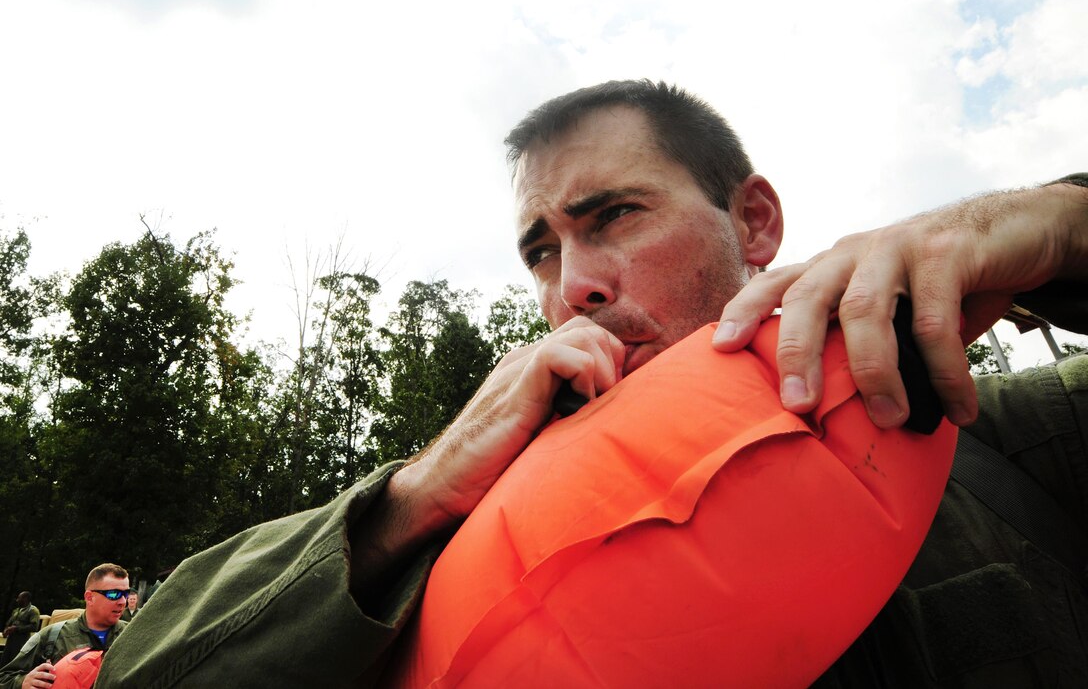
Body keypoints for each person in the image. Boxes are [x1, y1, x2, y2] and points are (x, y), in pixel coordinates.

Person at [97, 80, 1088, 686]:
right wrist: (411, 499)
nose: (573, 286)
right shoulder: (445, 531)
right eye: (539, 251)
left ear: (752, 223)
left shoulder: (998, 435)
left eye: (612, 214)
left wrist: (1056, 225)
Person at [0, 564, 130, 689]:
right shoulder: (52, 635)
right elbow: (5, 678)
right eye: (114, 594)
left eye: (126, 594)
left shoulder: (132, 635)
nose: (123, 602)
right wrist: (23, 682)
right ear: (89, 597)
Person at [1, 594, 39, 665]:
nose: (17, 600)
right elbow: (9, 623)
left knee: (15, 662)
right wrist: (6, 630)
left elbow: (34, 627)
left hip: (22, 642)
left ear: (25, 599)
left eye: (19, 598)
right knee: (4, 662)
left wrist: (16, 628)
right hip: (10, 641)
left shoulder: (33, 611)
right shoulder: (16, 610)